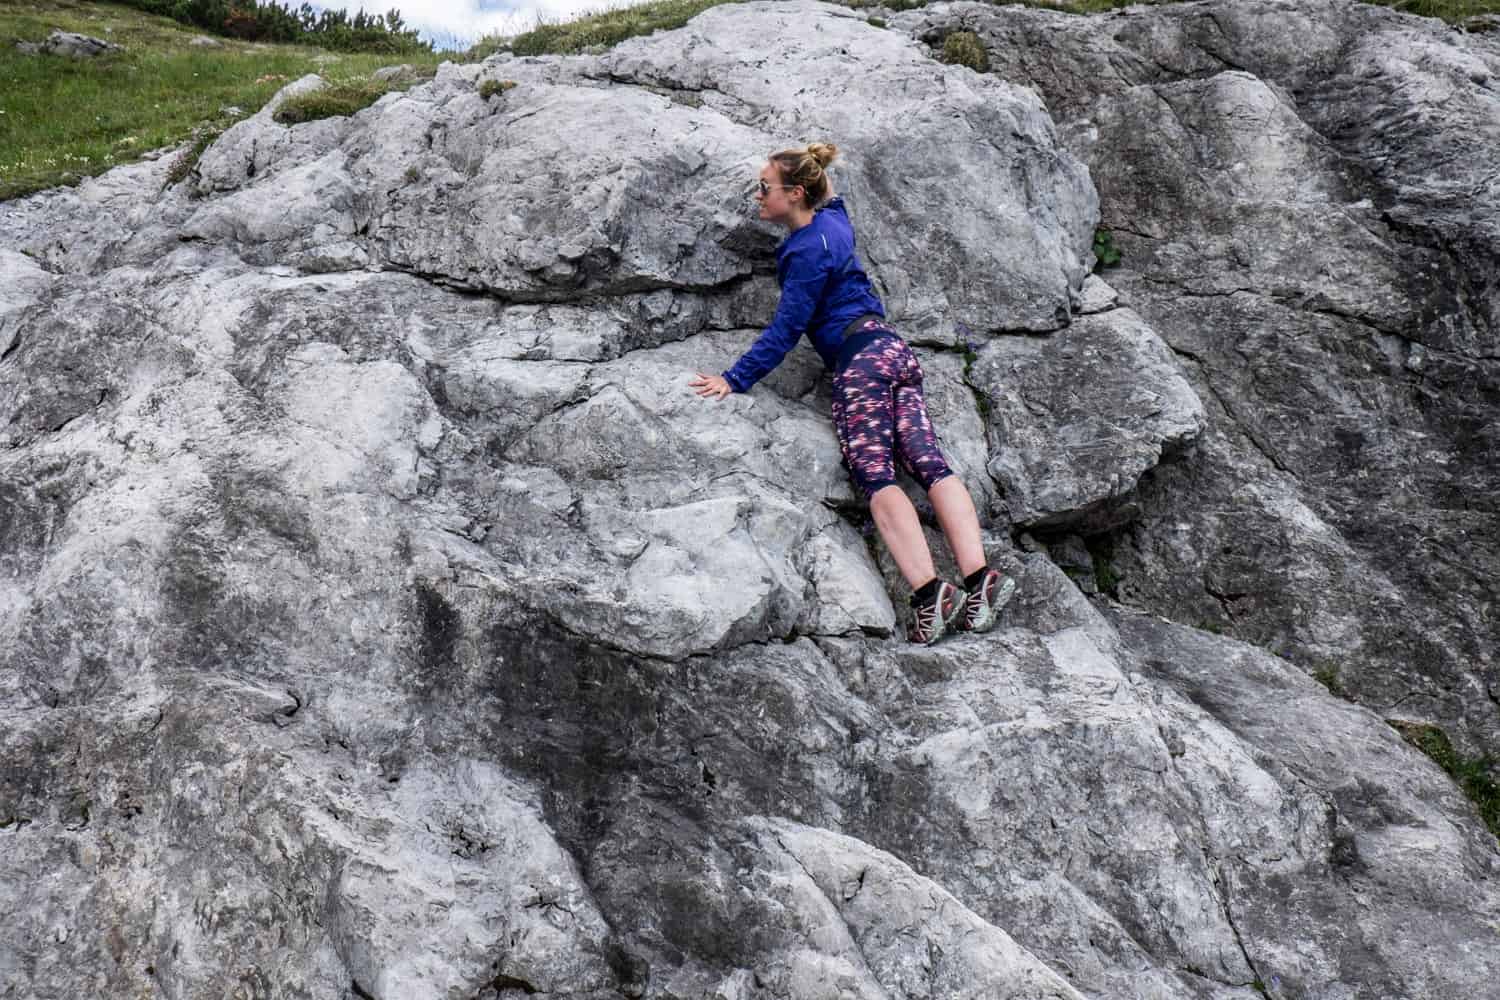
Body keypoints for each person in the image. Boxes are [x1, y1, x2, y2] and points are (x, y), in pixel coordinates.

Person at [688, 141, 1017, 645]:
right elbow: (831, 192)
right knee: (928, 463)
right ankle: (979, 579)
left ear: (795, 193)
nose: (756, 195)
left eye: (763, 187)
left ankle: (931, 595)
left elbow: (786, 329)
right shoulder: (834, 220)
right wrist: (812, 159)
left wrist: (733, 379)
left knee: (876, 474)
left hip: (859, 364)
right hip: (893, 351)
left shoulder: (803, 253)